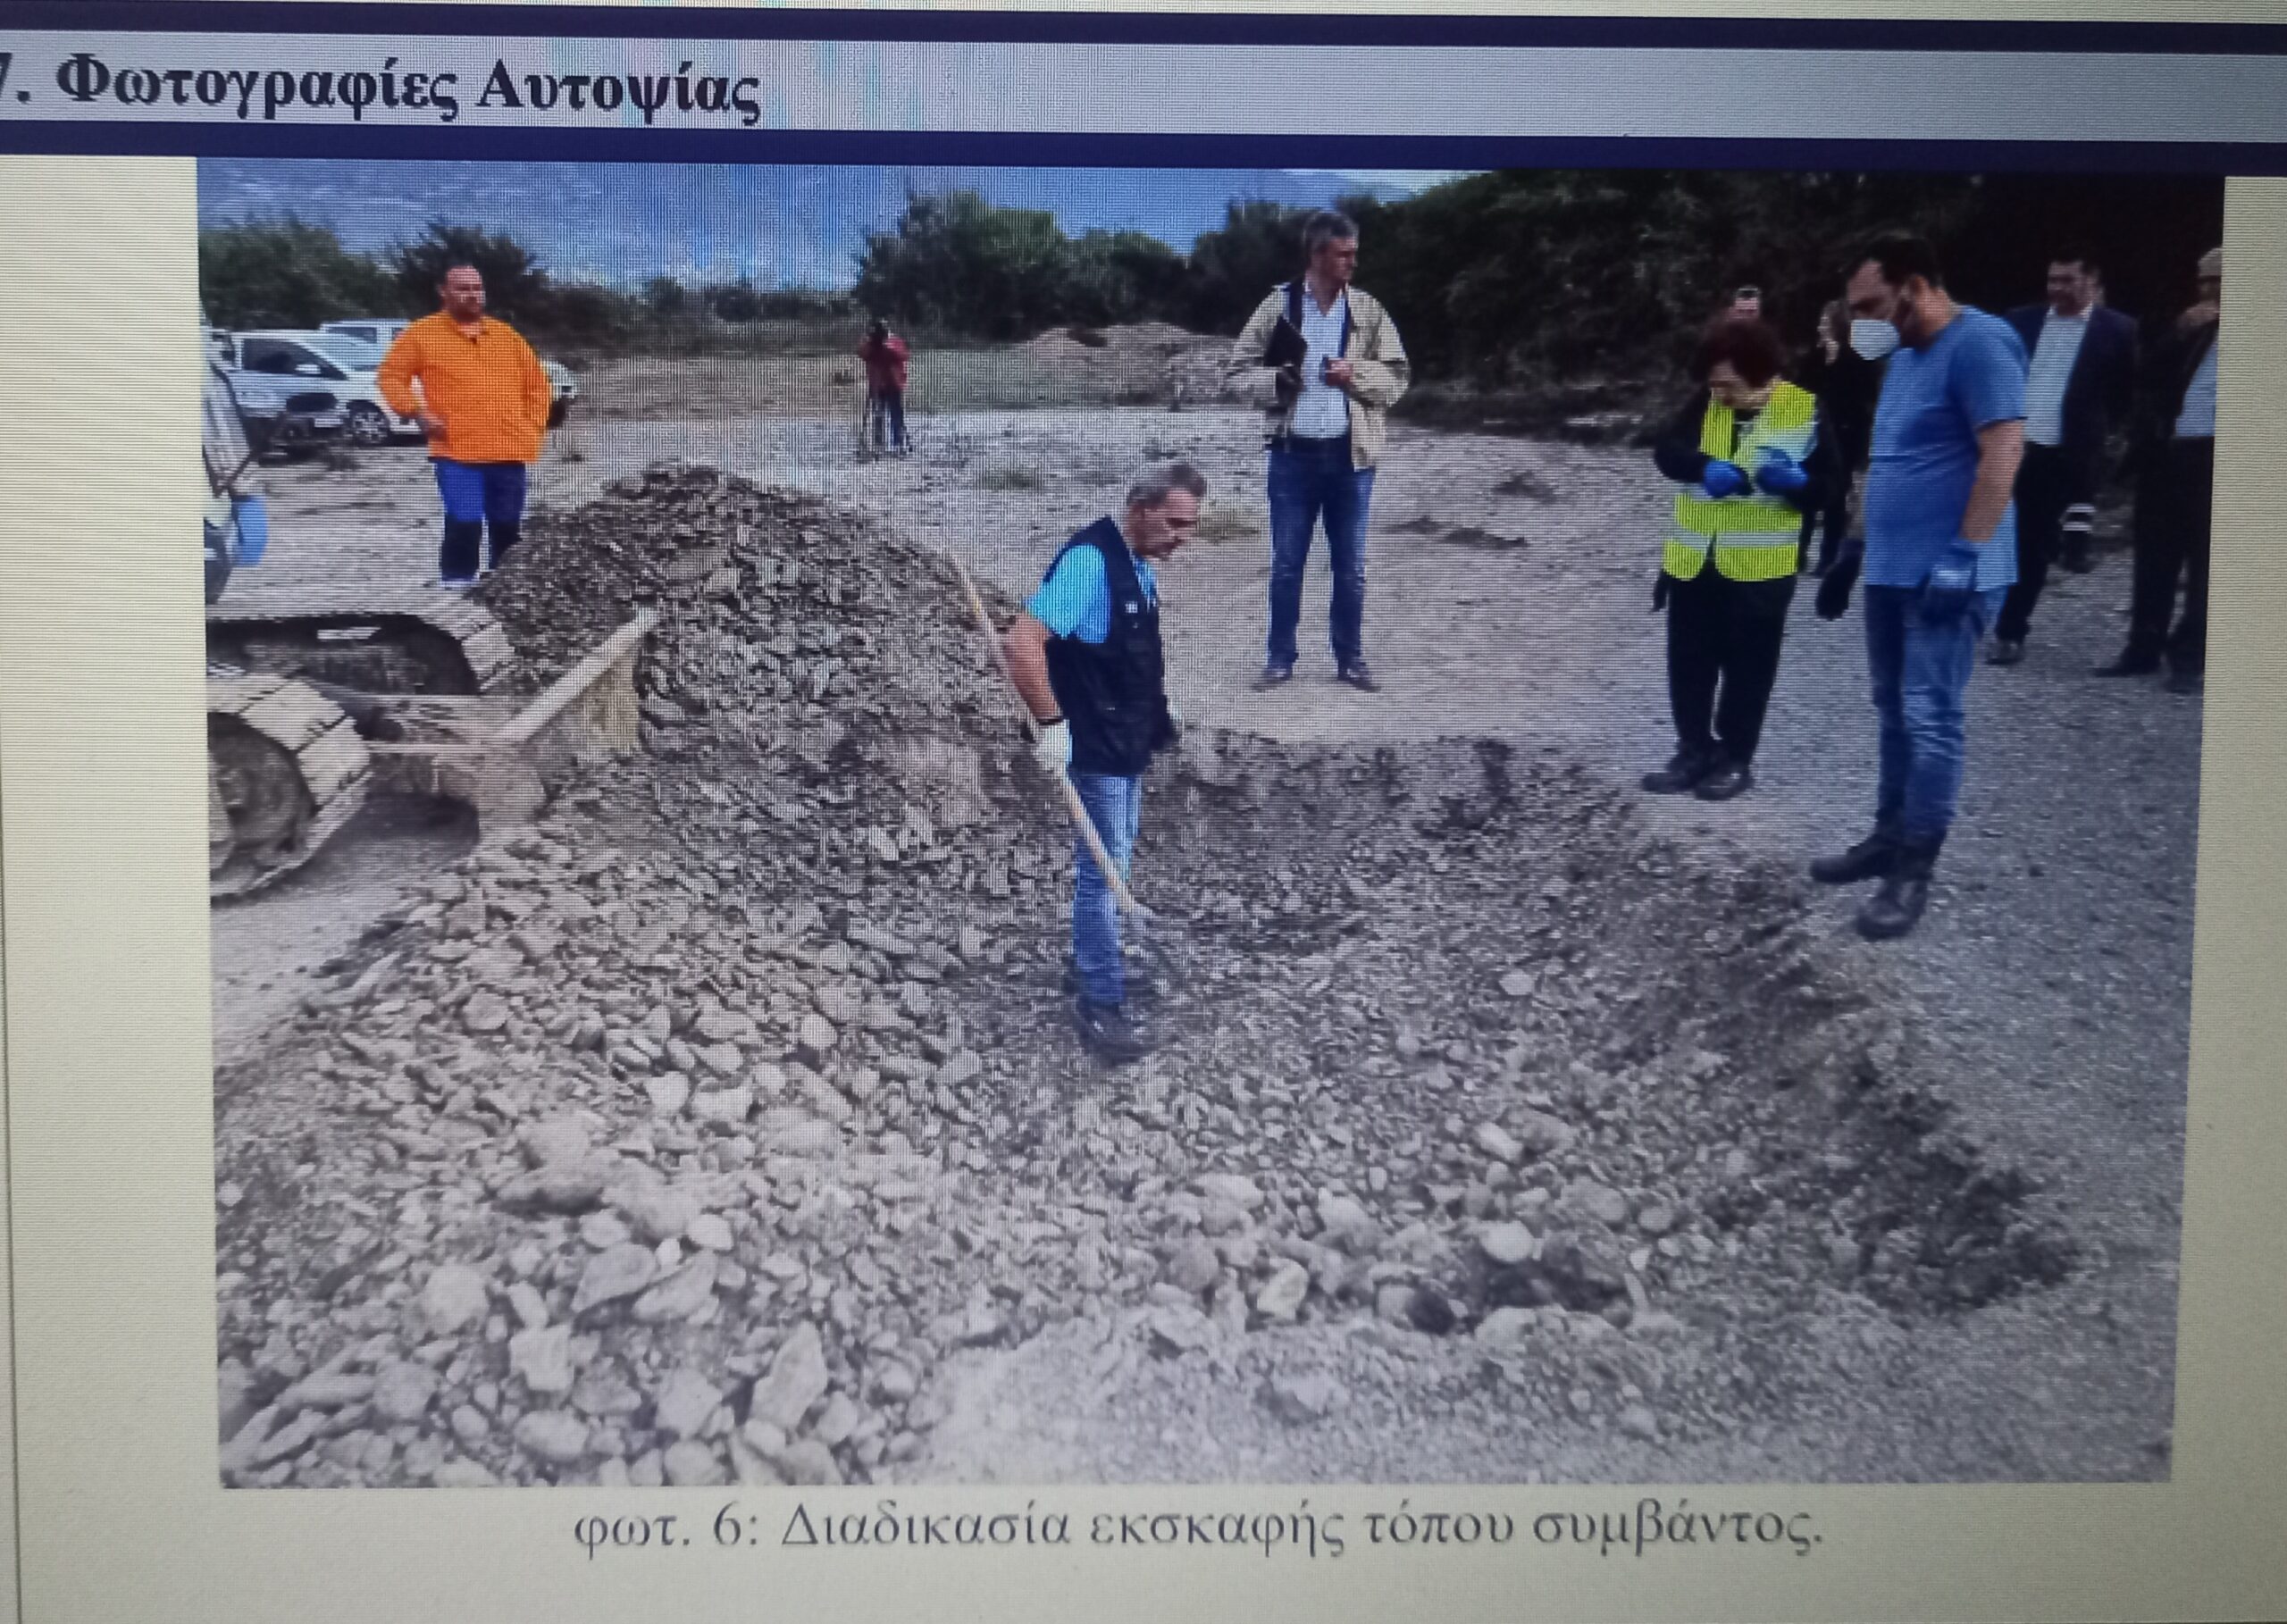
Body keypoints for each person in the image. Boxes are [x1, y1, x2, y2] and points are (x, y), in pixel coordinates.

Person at [1811, 234, 2025, 941]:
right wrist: (1853, 543)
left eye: (1873, 304)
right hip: (1891, 568)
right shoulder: (1902, 355)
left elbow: (2004, 450)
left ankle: (1915, 868)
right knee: (1892, 710)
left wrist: (1966, 549)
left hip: (1949, 574)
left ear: (1915, 285)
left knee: (1930, 714)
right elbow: (1891, 457)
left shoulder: (1981, 343)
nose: (1865, 320)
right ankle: (1888, 834)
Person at [1002, 462, 1205, 1063]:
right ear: (1140, 510)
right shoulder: (1090, 563)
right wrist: (1052, 728)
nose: (1182, 538)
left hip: (1124, 741)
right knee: (1102, 872)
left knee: (1111, 862)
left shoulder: (1137, 563)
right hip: (1093, 744)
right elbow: (1021, 642)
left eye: (1190, 526)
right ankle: (1100, 997)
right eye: (1174, 524)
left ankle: (1095, 961)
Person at [1643, 316, 1836, 802]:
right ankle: (1693, 750)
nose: (1719, 393)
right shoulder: (1704, 402)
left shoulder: (1805, 409)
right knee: (1689, 662)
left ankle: (1735, 757)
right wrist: (1703, 466)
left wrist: (1798, 486)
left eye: (1727, 383)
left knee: (1748, 671)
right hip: (1694, 560)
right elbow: (1666, 451)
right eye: (1713, 384)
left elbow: (1833, 489)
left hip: (1760, 570)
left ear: (1757, 370)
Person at [1224, 210, 1410, 694]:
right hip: (1293, 459)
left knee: (1350, 568)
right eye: (1343, 253)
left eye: (1354, 253)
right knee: (1287, 565)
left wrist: (1356, 375)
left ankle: (1350, 659)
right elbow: (1235, 374)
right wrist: (1276, 381)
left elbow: (1397, 380)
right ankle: (1279, 659)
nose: (1353, 262)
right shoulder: (1278, 307)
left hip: (1352, 463)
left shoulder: (1368, 311)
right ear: (1316, 254)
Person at [1989, 249, 2139, 664]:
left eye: (2067, 280)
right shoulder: (2019, 321)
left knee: (2031, 544)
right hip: (2003, 445)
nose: (2057, 288)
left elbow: (2126, 393)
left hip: (2056, 453)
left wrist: (2101, 435)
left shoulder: (2119, 331)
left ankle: (2010, 630)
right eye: (2052, 279)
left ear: (2092, 282)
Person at [376, 264, 552, 590]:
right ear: (443, 291)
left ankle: (507, 592)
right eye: (463, 288)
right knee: (465, 523)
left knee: (507, 528)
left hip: (508, 453)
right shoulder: (421, 334)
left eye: (477, 287)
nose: (473, 295)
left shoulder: (505, 336)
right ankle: (456, 592)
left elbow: (538, 387)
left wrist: (531, 427)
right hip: (457, 453)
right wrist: (416, 411)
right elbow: (390, 377)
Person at [2099, 245, 2219, 695]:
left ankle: (2189, 659)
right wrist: (2178, 334)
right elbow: (2146, 376)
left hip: (2217, 456)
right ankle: (2142, 649)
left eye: (2221, 282)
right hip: (2170, 451)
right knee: (2153, 557)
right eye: (2205, 281)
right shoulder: (2190, 327)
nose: (2211, 292)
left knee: (2208, 563)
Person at [1794, 297, 1882, 576]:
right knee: (1805, 491)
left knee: (1836, 496)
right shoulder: (1813, 357)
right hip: (1811, 433)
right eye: (1820, 321)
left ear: (1838, 326)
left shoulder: (1857, 359)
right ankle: (1797, 552)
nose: (1820, 327)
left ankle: (1828, 557)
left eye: (1825, 322)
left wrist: (1837, 363)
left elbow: (1864, 399)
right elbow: (1800, 390)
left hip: (1845, 436)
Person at [857, 318, 911, 454]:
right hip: (877, 385)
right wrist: (870, 343)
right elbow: (861, 353)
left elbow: (902, 355)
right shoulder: (871, 345)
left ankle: (898, 444)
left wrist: (886, 347)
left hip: (893, 383)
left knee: (896, 415)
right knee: (878, 414)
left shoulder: (895, 342)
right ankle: (878, 443)